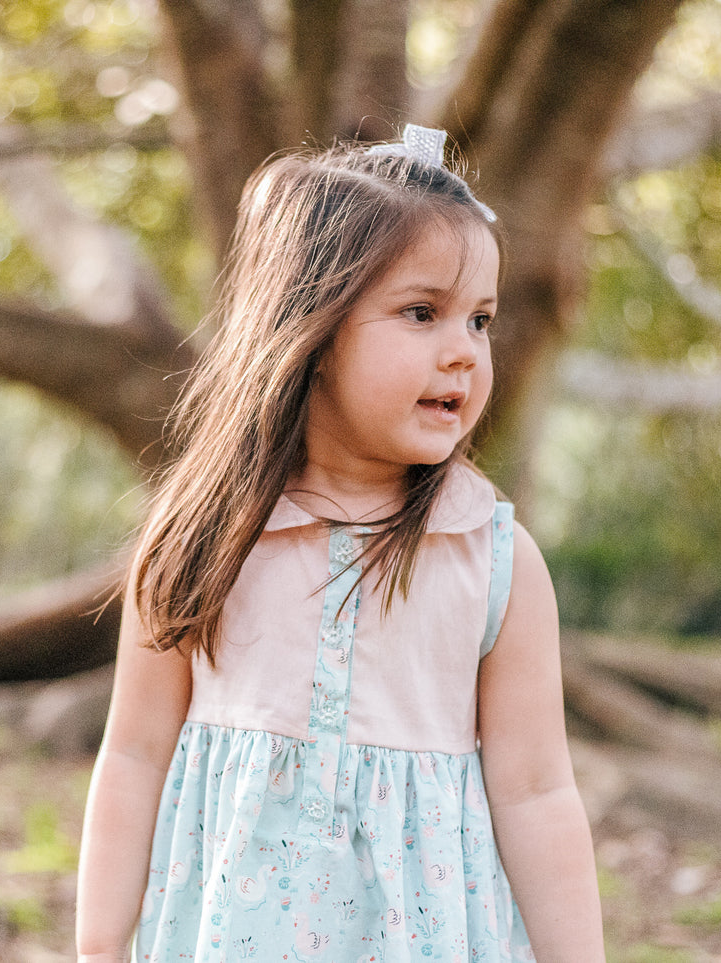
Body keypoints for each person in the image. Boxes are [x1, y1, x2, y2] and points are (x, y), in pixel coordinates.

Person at [75, 125, 604, 963]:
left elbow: (536, 790)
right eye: (422, 312)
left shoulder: (493, 562)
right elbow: (136, 752)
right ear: (311, 332)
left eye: (480, 320)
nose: (463, 350)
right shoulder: (204, 541)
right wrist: (100, 946)